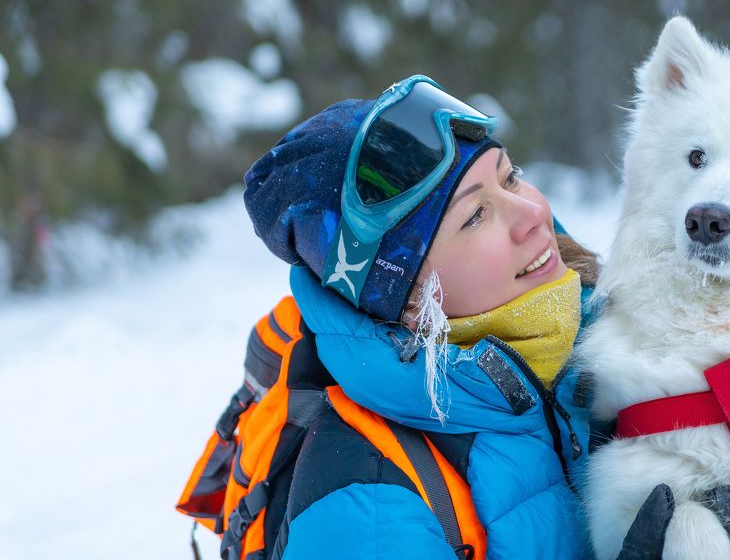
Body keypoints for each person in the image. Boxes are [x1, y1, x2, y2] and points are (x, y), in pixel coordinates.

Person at [238, 75, 602, 559]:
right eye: (474, 216)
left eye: (510, 176)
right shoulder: (367, 513)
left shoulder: (612, 323)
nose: (533, 214)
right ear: (408, 300)